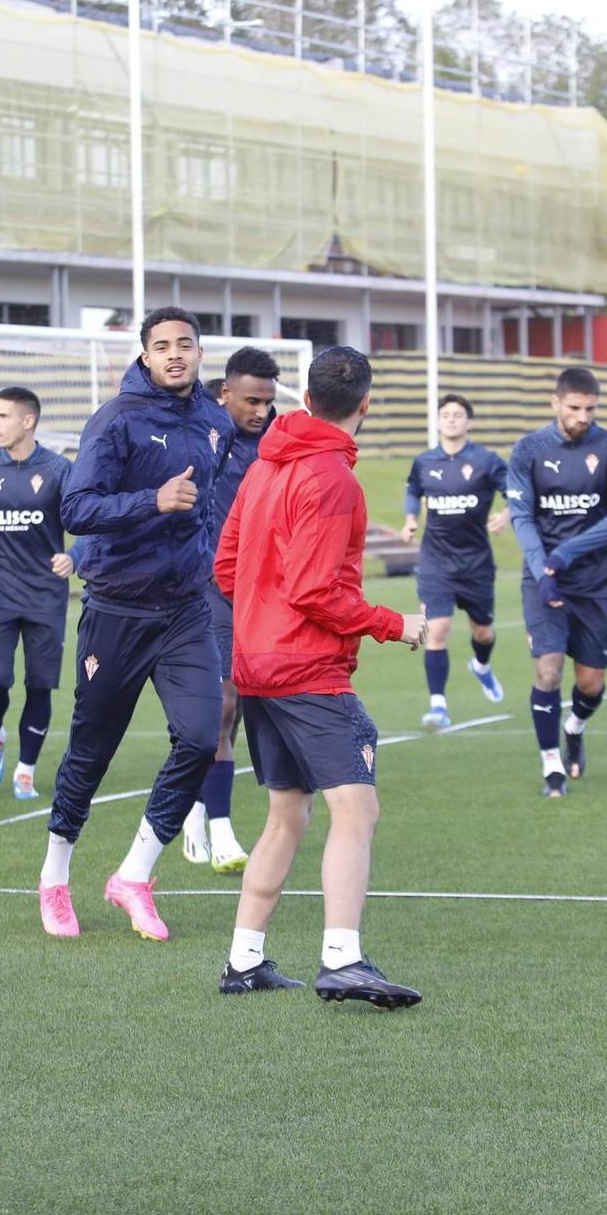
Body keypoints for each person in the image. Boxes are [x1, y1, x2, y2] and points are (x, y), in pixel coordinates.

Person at [215, 345, 427, 1005]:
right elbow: (315, 591)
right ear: (366, 403)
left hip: (257, 666)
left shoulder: (262, 467)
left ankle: (244, 958)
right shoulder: (333, 477)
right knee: (356, 807)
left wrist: (260, 614)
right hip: (307, 670)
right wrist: (398, 623)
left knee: (286, 813)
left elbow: (226, 566)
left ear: (304, 397)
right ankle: (342, 956)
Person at [35, 306, 236, 941]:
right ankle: (54, 876)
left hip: (185, 611)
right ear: (145, 356)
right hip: (117, 610)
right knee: (92, 752)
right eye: (162, 346)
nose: (175, 354)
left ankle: (133, 876)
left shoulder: (214, 422)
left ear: (200, 353)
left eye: (186, 344)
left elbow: (210, 506)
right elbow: (75, 506)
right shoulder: (115, 419)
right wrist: (152, 500)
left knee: (202, 737)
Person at [507, 367, 607, 798]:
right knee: (548, 670)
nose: (584, 416)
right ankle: (551, 766)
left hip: (597, 581)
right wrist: (543, 566)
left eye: (590, 409)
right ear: (556, 403)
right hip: (544, 580)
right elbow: (523, 515)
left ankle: (575, 726)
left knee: (591, 684)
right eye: (575, 408)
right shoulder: (528, 450)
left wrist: (567, 554)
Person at [183, 349, 280, 874]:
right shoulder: (201, 431)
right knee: (220, 706)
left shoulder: (278, 441)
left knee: (241, 704)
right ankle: (221, 829)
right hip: (210, 589)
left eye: (268, 401)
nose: (261, 411)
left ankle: (199, 805)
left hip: (263, 594)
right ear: (224, 394)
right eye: (251, 401)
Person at [0, 387, 74, 800]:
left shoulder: (59, 469)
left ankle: (26, 770)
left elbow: (87, 521)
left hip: (45, 598)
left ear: (28, 421)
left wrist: (74, 556)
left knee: (40, 685)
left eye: (3, 416)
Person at [399, 394, 510, 730]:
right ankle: (438, 706)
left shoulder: (486, 460)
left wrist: (506, 513)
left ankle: (481, 666)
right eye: (445, 414)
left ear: (469, 422)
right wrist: (409, 519)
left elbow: (516, 493)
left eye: (457, 415)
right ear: (437, 421)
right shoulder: (424, 462)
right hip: (436, 561)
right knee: (438, 628)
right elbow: (412, 491)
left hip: (476, 563)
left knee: (484, 632)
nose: (450, 420)